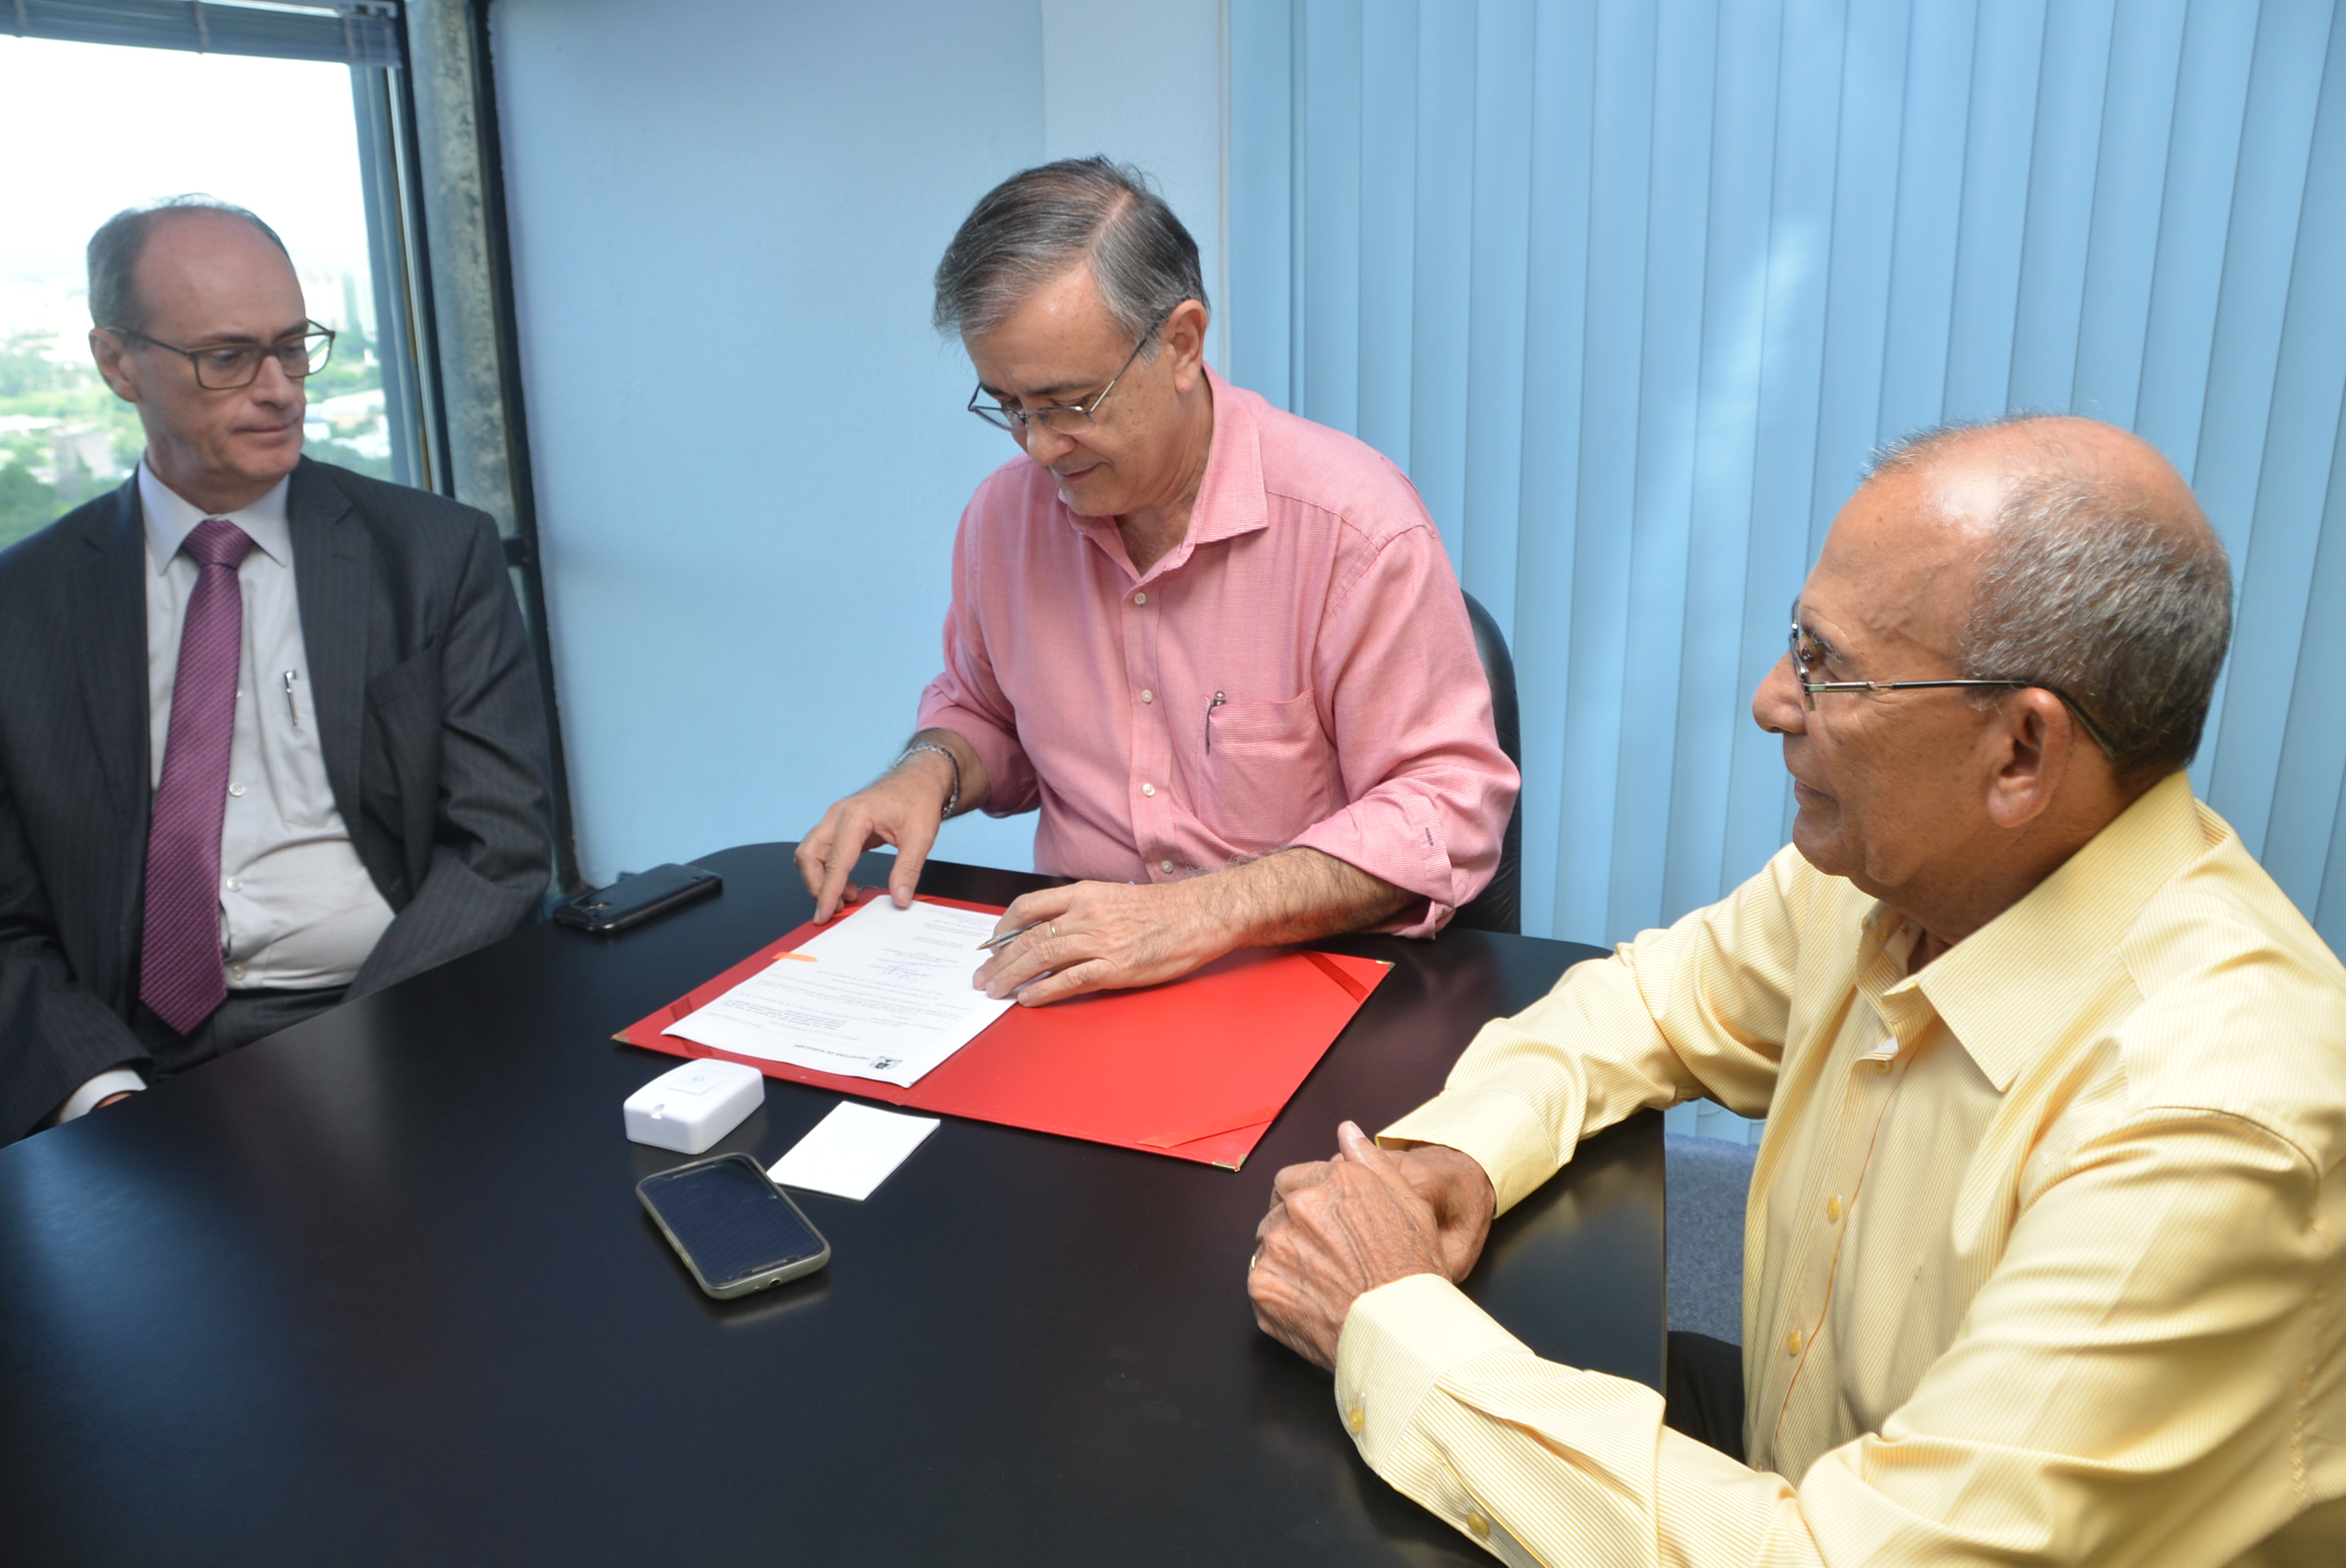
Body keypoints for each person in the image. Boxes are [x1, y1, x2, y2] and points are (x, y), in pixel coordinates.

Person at [1247, 414, 2346, 1565]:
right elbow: (1648, 1003)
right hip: (1804, 1453)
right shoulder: (1903, 873)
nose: (1773, 698)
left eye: (1828, 666)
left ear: (2021, 753)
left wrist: (1391, 1322)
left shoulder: (2208, 1126)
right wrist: (1458, 1156)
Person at [795, 158, 1517, 1006]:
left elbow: (1445, 809)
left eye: (1069, 403)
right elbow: (985, 713)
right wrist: (927, 769)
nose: (1039, 446)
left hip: (1298, 983)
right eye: (1009, 406)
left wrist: (1198, 913)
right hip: (1077, 983)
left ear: (1181, 344)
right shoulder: (1003, 519)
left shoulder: (1351, 527)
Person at [0, 197, 552, 1143]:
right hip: (134, 1064)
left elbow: (500, 848)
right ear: (117, 363)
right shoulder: (22, 606)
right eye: (228, 357)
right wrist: (103, 1096)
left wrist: (357, 1058)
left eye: (293, 347)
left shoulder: (434, 555)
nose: (281, 390)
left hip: (408, 1012)